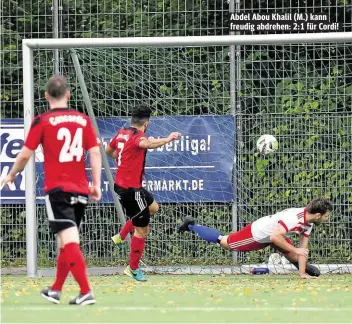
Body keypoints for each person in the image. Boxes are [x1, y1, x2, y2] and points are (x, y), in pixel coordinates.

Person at [1, 75, 102, 305]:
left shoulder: (43, 120)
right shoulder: (82, 120)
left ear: (46, 96)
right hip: (80, 190)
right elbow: (95, 152)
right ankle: (56, 289)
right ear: (68, 95)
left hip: (58, 190)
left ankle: (86, 291)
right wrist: (95, 184)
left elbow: (26, 153)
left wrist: (13, 173)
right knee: (64, 242)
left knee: (69, 240)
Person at [106, 104, 181, 281]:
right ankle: (132, 269)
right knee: (142, 231)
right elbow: (147, 144)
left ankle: (121, 235)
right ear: (146, 123)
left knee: (153, 207)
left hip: (125, 186)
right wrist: (168, 139)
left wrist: (119, 156)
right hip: (131, 191)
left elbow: (109, 151)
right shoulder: (137, 137)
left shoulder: (122, 132)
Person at [178, 197, 332, 278]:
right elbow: (274, 236)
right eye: (326, 216)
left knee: (297, 254)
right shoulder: (294, 219)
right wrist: (296, 250)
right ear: (318, 215)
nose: (326, 219)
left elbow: (303, 248)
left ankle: (301, 270)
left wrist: (303, 273)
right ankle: (191, 225)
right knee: (225, 242)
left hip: (276, 235)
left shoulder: (309, 223)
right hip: (258, 233)